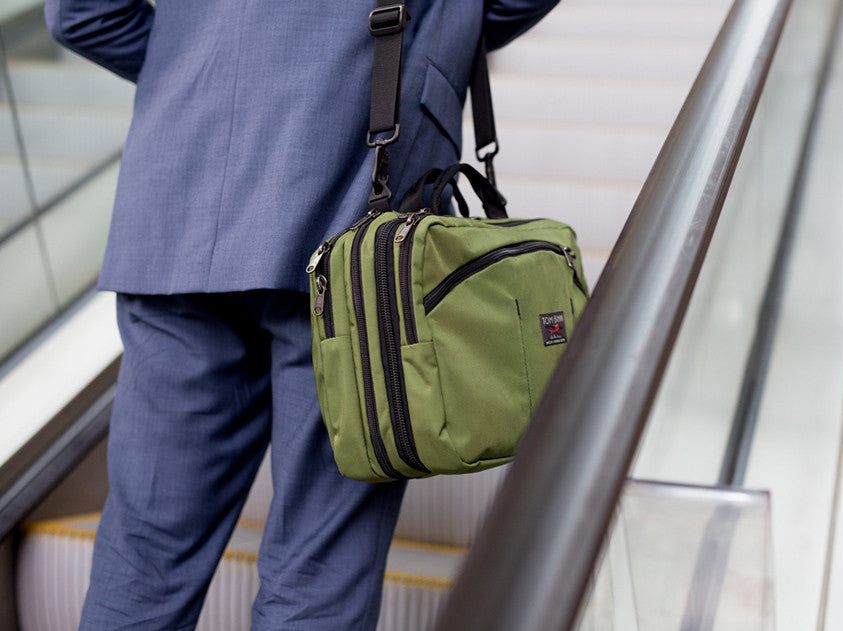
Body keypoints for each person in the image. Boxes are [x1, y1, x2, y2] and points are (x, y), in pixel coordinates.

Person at [44, 0, 560, 628]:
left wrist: (199, 66)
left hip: (181, 202)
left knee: (145, 554)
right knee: (319, 567)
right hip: (353, 208)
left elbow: (81, 13)